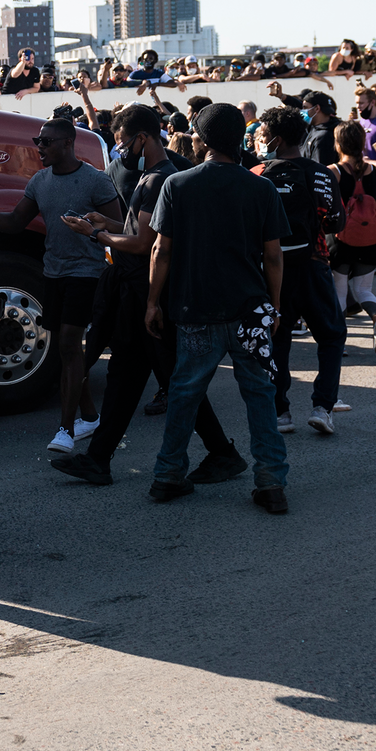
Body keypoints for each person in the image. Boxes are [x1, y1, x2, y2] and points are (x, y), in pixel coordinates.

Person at [56, 105, 243, 486]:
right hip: (139, 293)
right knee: (128, 376)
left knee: (173, 380)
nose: (121, 150)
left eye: (124, 142)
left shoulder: (159, 180)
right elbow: (138, 230)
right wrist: (107, 224)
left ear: (143, 138)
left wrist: (95, 234)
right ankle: (99, 458)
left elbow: (145, 244)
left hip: (148, 293)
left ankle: (221, 454)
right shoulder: (153, 177)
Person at [145, 103, 293, 510]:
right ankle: (271, 483)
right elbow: (274, 256)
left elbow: (161, 251)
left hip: (196, 309)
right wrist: (275, 306)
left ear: (204, 140)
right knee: (260, 396)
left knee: (184, 394)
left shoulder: (177, 184)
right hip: (250, 311)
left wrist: (153, 302)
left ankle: (167, 475)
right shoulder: (260, 187)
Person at [0, 118, 121, 452]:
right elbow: (15, 222)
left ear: (67, 143)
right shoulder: (39, 180)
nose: (39, 147)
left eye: (46, 141)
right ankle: (90, 416)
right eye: (38, 141)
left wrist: (95, 227)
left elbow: (123, 227)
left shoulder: (95, 180)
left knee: (69, 345)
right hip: (53, 273)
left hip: (86, 272)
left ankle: (65, 430)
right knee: (65, 350)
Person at [254, 107, 347, 435]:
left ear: (276, 140)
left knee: (277, 338)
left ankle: (281, 412)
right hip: (313, 264)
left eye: (263, 135)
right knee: (332, 336)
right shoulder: (322, 173)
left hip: (271, 269)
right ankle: (323, 407)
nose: (260, 140)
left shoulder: (257, 173)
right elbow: (336, 222)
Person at [328, 120, 376, 356]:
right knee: (364, 290)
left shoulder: (333, 171)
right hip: (369, 239)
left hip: (340, 239)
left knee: (339, 292)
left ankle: (341, 343)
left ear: (338, 144)